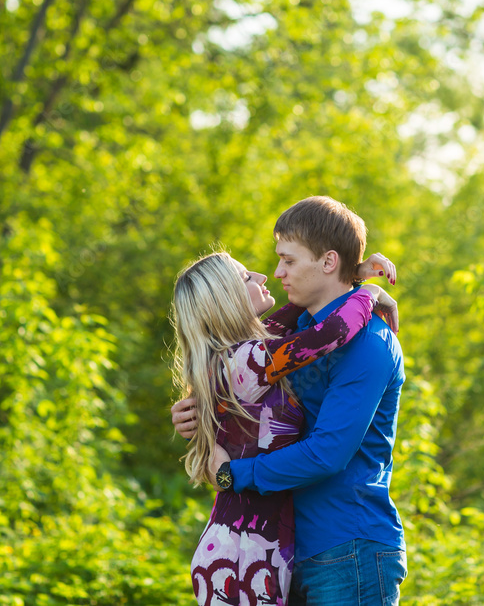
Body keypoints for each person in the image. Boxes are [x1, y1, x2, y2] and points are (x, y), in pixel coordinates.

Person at [173, 196, 407, 605]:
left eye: (289, 261)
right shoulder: (286, 338)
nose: (276, 273)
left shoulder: (368, 342)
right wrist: (194, 411)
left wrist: (234, 474)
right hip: (283, 551)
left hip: (347, 547)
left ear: (327, 262)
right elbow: (317, 334)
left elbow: (327, 453)